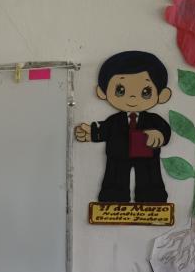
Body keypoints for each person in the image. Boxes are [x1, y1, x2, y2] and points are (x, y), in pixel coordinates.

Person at [74, 50, 173, 203]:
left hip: (147, 156)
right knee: (114, 178)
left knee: (150, 178)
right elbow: (105, 128)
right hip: (118, 155)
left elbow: (164, 130)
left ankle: (153, 198)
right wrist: (91, 132)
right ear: (102, 92)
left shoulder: (153, 120)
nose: (133, 97)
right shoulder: (115, 120)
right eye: (120, 90)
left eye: (146, 92)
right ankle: (112, 199)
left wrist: (159, 135)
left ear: (162, 95)